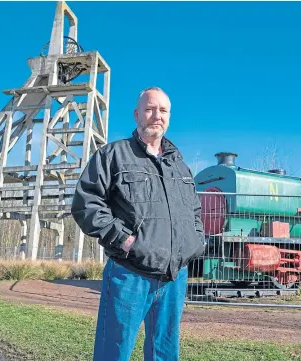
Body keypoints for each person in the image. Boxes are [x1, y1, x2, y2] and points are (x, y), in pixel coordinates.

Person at [70, 87, 205, 361]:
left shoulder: (179, 166)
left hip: (173, 277)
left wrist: (195, 242)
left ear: (169, 116)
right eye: (150, 109)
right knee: (114, 352)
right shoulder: (113, 156)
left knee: (165, 354)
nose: (157, 115)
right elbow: (86, 204)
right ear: (136, 114)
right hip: (130, 274)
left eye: (163, 110)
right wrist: (125, 241)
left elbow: (194, 211)